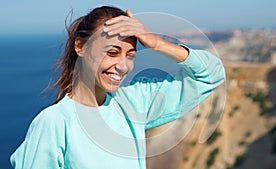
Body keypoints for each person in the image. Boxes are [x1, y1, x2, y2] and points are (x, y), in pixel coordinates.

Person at [10, 6, 225, 169]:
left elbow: (211, 75)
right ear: (80, 46)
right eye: (112, 53)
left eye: (130, 56)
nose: (123, 66)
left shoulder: (133, 102)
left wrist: (156, 43)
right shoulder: (55, 122)